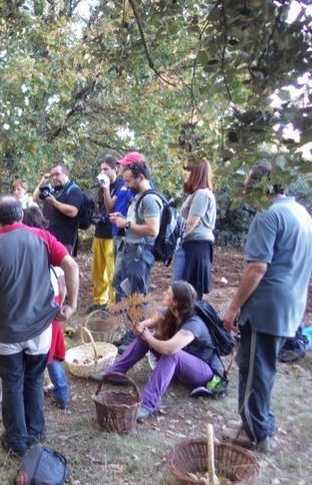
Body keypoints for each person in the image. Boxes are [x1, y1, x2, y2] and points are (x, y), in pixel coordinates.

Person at [0, 196, 79, 457]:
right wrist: (72, 304)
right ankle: (36, 431)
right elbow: (70, 264)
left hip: (7, 331)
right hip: (40, 329)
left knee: (11, 384)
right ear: (20, 215)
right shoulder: (42, 237)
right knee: (33, 380)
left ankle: (16, 442)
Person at [221, 163, 312, 452]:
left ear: (260, 188)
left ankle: (255, 432)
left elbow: (257, 268)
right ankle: (258, 423)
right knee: (264, 368)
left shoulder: (268, 215)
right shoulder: (301, 213)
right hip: (290, 306)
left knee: (253, 370)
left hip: (265, 308)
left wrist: (233, 307)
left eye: (249, 186)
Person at [94, 281, 225, 422]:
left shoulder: (195, 324)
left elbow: (169, 349)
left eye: (168, 293)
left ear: (176, 302)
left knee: (171, 353)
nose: (164, 293)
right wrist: (140, 327)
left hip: (204, 371)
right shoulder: (169, 312)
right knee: (146, 336)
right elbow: (146, 324)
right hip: (183, 364)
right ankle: (115, 374)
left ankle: (147, 404)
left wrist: (149, 337)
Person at [22, 206, 69, 410]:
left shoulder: (28, 246)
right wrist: (61, 304)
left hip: (40, 307)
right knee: (49, 354)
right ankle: (61, 392)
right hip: (53, 305)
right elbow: (62, 281)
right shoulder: (50, 242)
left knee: (43, 353)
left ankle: (57, 390)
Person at [108, 159, 161, 301]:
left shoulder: (149, 199)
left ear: (141, 178)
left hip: (140, 253)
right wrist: (123, 218)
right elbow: (136, 221)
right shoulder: (138, 196)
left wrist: (126, 224)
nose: (126, 185)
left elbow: (152, 229)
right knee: (124, 291)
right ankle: (126, 322)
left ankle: (138, 323)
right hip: (130, 249)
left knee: (136, 297)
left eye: (129, 181)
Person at [172, 159, 216, 300]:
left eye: (189, 169)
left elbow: (190, 225)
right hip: (190, 246)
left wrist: (172, 241)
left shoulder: (202, 194)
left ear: (198, 172)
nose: (185, 172)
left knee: (190, 296)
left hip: (197, 247)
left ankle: (190, 322)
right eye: (184, 168)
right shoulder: (195, 194)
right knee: (181, 292)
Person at [88, 155, 123, 312]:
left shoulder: (120, 185)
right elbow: (100, 208)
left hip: (112, 235)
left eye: (106, 169)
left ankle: (112, 305)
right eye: (101, 169)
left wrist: (107, 187)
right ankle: (99, 301)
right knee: (97, 271)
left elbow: (111, 208)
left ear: (115, 169)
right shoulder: (101, 186)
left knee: (111, 273)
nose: (103, 172)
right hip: (99, 233)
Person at [32, 164, 85, 255]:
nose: (54, 177)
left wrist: (54, 202)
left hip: (63, 240)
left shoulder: (74, 190)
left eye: (57, 174)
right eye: (52, 175)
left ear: (66, 174)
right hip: (48, 237)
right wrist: (42, 182)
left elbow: (73, 212)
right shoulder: (53, 189)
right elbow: (35, 198)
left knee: (60, 268)